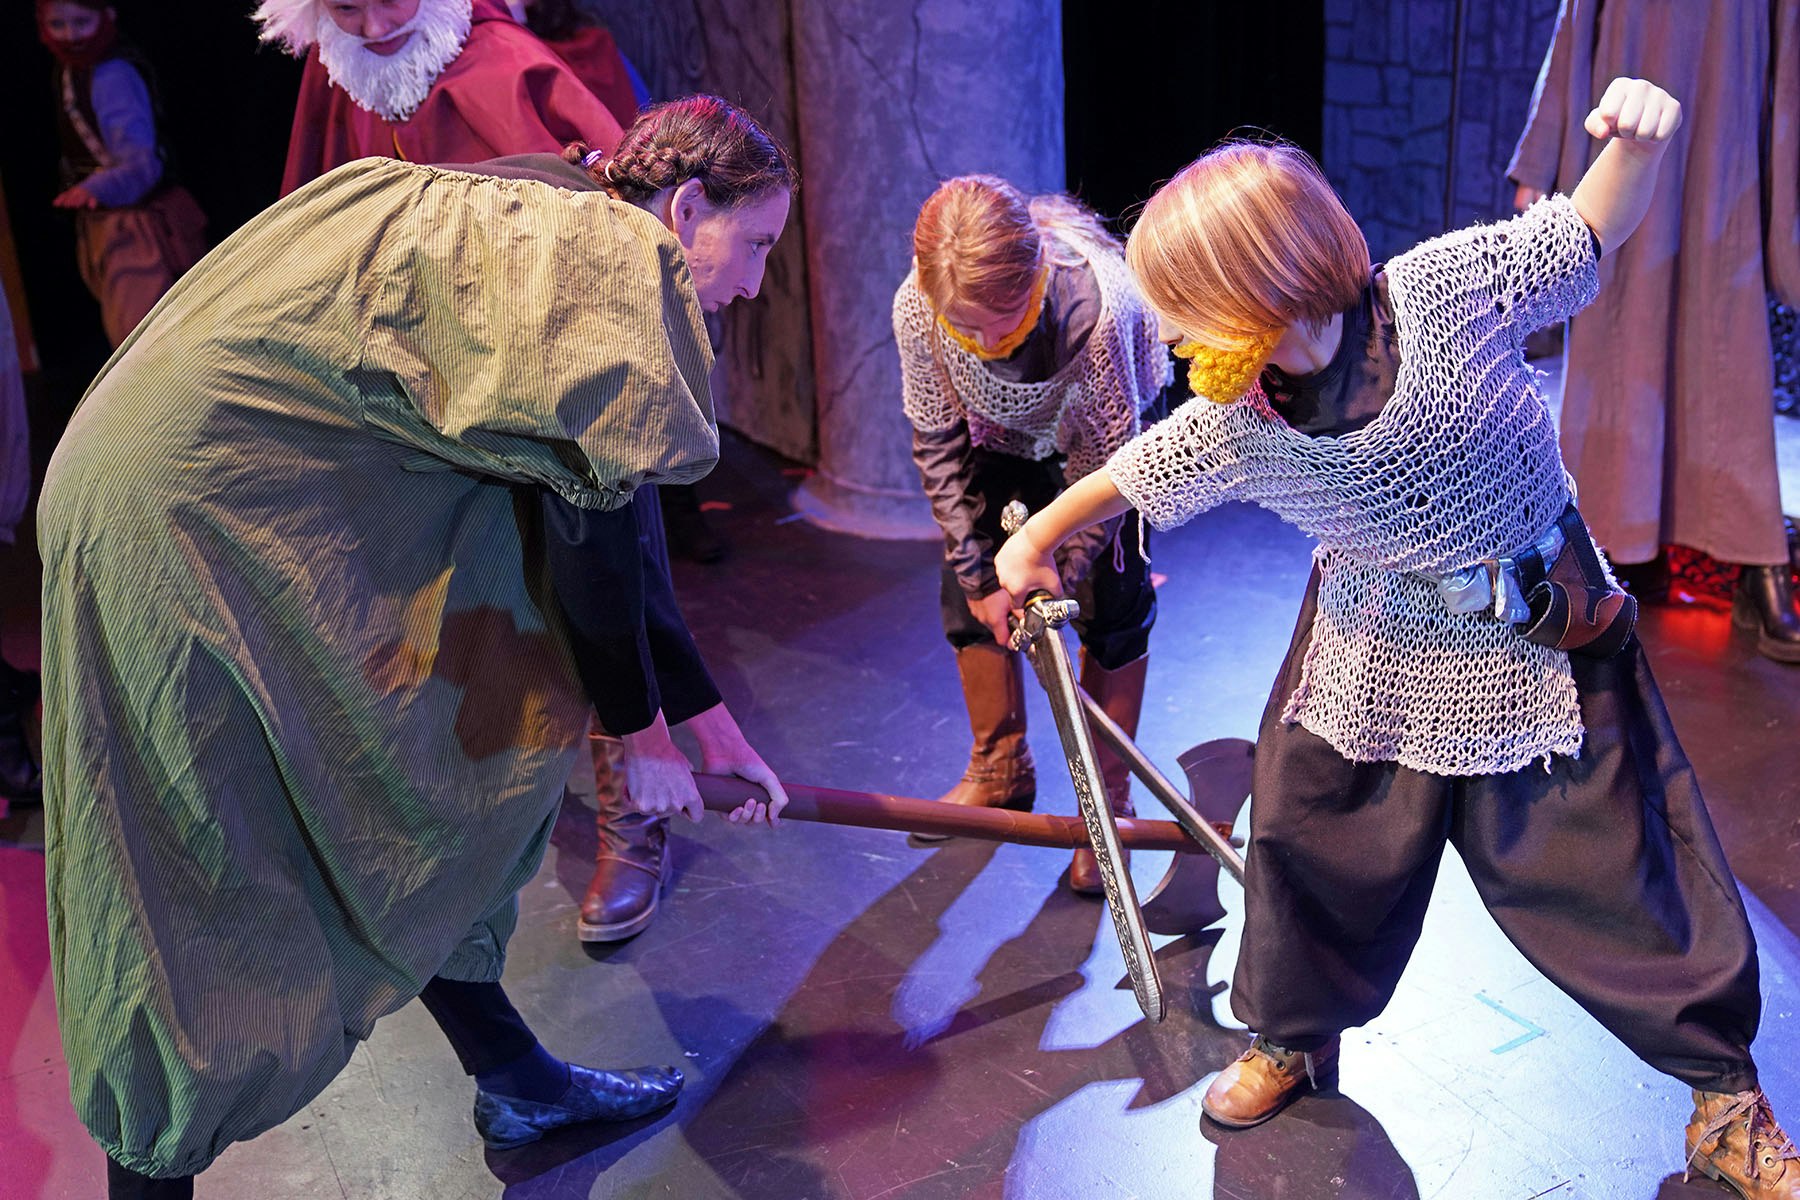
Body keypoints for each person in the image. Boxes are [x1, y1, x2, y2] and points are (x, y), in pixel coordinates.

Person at [997, 81, 1799, 1195]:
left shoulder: (1443, 294)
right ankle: (1288, 1034)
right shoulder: (1245, 416)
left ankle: (1722, 1096)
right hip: (1369, 643)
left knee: (1610, 873)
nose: (1172, 335)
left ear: (1257, 282)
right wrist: (1037, 531)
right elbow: (1152, 463)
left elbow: (1578, 233)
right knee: (1307, 841)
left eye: (1185, 307)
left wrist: (1633, 142)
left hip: (1539, 636)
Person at [38, 93, 796, 1198]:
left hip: (215, 489)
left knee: (415, 757)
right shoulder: (612, 260)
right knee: (195, 860)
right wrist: (641, 741)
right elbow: (590, 532)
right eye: (758, 244)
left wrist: (699, 715)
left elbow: (604, 506)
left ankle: (515, 1073)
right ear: (685, 206)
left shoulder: (554, 200)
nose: (754, 283)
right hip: (179, 519)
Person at [895, 175, 1170, 894]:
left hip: (1105, 455)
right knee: (965, 598)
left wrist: (1060, 570)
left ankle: (1102, 809)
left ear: (1039, 276)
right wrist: (982, 577)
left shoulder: (1102, 312)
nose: (985, 342)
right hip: (999, 444)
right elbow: (939, 440)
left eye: (1004, 321)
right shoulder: (918, 306)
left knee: (1112, 607)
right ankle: (1000, 766)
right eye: (968, 328)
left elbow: (1108, 466)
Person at [1508, 0, 1800, 663]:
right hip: (1623, 136)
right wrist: (1541, 161)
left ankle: (1755, 559)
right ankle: (1613, 544)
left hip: (1729, 144)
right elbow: (1576, 22)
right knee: (1621, 328)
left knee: (1728, 337)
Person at [255, 0, 625, 195]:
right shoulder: (342, 65)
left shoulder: (506, 59)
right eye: (346, 8)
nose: (375, 28)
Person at [36, 0, 207, 349]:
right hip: (104, 224)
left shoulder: (112, 74)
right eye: (57, 24)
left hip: (136, 227)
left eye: (81, 22)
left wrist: (98, 186)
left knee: (141, 346)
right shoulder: (72, 70)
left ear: (107, 15)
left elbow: (142, 164)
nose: (70, 36)